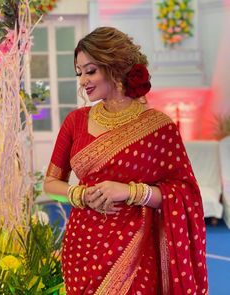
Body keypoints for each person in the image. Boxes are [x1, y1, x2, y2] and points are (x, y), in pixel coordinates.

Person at [44, 26, 208, 295]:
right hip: (83, 247)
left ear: (115, 67)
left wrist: (131, 191)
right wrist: (80, 195)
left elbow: (185, 194)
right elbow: (51, 183)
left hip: (137, 250)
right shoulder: (75, 122)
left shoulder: (158, 127)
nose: (83, 80)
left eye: (90, 70)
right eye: (80, 72)